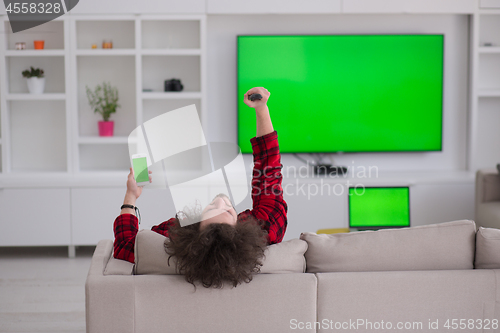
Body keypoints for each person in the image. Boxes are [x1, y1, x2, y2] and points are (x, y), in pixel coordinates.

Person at [113, 87, 287, 288]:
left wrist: (131, 196)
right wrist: (262, 109)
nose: (221, 200)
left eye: (211, 209)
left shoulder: (171, 240)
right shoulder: (265, 228)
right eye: (229, 211)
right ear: (241, 232)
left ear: (193, 230)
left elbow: (124, 246)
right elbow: (269, 173)